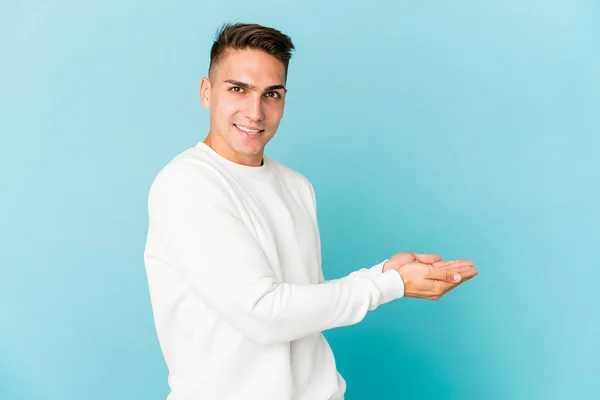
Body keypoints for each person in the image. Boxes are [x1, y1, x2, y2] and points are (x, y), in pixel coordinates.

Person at [143, 22, 478, 400]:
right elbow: (264, 313)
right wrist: (389, 286)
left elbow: (302, 305)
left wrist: (385, 272)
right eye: (238, 89)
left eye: (272, 94)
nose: (255, 112)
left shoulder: (296, 186)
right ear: (207, 92)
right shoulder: (187, 185)